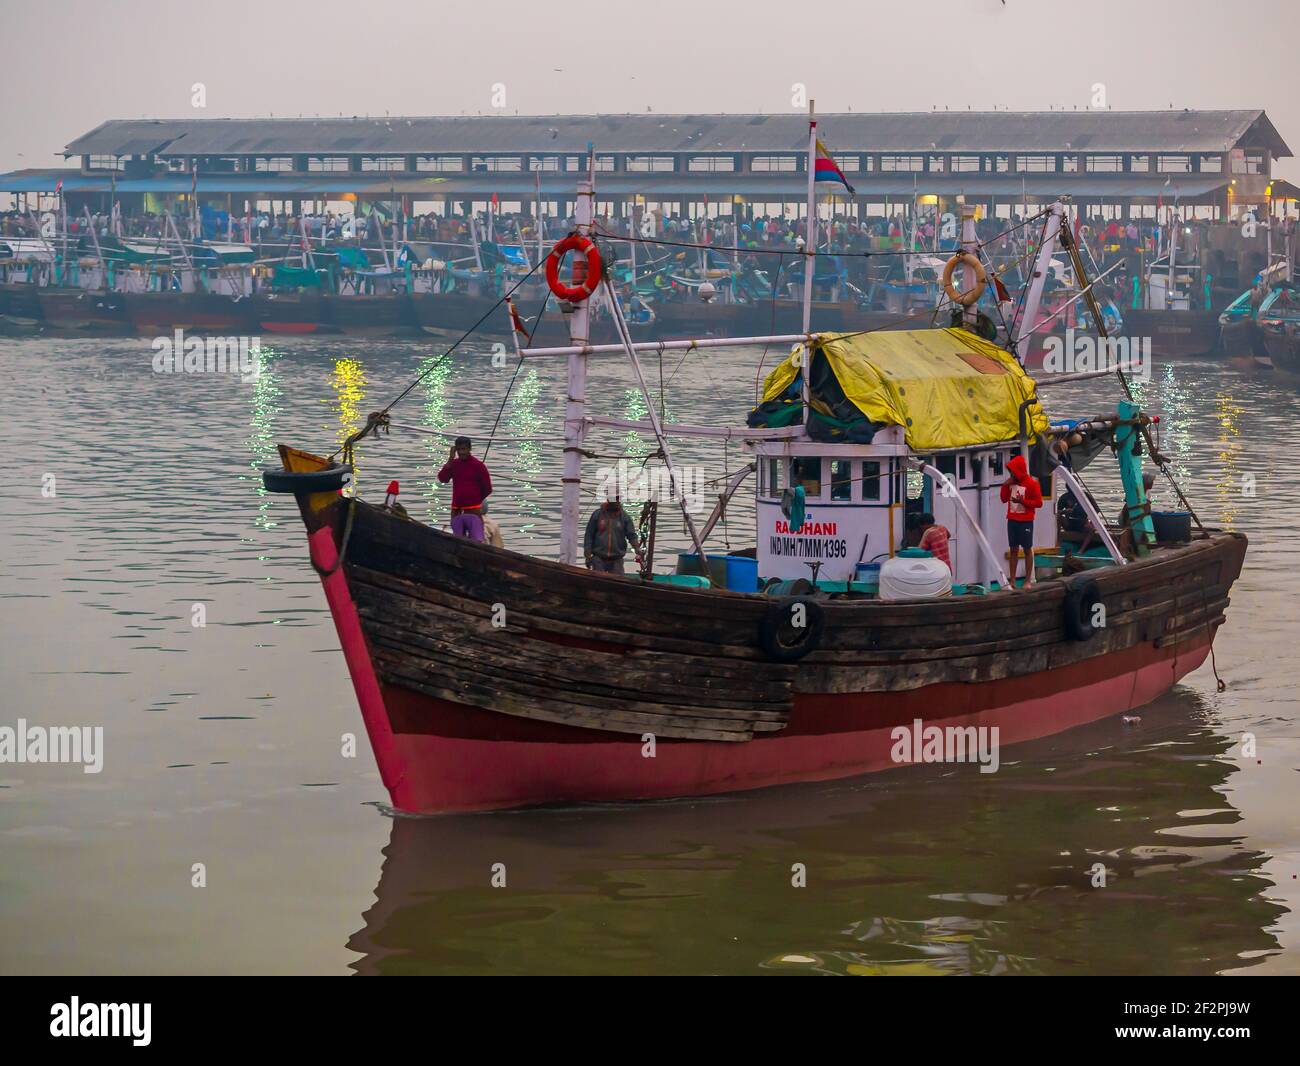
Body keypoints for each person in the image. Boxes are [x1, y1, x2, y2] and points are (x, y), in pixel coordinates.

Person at [436, 436, 493, 541]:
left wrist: (475, 499)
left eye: (464, 449)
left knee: (477, 541)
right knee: (457, 541)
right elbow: (443, 478)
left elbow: (487, 488)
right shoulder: (454, 464)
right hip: (456, 510)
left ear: (469, 449)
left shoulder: (478, 466)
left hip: (474, 510)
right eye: (459, 450)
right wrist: (450, 459)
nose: (461, 452)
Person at [1000, 454, 1043, 589]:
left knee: (1027, 549)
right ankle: (1012, 580)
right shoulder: (1011, 483)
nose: (1011, 474)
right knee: (1013, 549)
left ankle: (1027, 580)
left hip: (1026, 521)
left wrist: (1022, 502)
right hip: (1012, 520)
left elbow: (1039, 503)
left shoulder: (1032, 484)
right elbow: (1003, 499)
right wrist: (1005, 486)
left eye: (1013, 471)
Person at [584, 494, 644, 575]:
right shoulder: (597, 515)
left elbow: (631, 535)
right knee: (598, 582)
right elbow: (589, 535)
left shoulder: (625, 517)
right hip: (598, 558)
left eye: (617, 499)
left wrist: (637, 548)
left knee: (618, 582)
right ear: (608, 499)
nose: (615, 501)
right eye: (613, 499)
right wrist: (588, 555)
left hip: (617, 559)